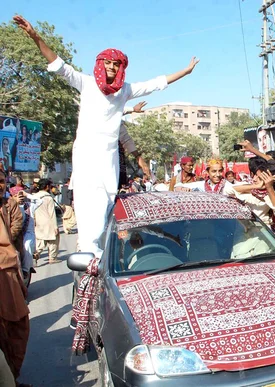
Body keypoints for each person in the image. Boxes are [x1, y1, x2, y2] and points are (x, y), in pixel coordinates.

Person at [14, 15, 199, 258]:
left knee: (107, 202)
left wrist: (185, 72)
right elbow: (59, 65)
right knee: (88, 200)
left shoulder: (125, 91)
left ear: (121, 68)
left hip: (109, 153)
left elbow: (156, 83)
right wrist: (36, 37)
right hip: (87, 151)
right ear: (100, 64)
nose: (111, 68)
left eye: (116, 64)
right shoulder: (86, 83)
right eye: (108, 63)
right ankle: (89, 253)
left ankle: (101, 251)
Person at [0, 168, 29, 387]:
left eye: (2, 181)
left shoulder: (8, 206)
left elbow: (17, 226)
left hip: (9, 271)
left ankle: (12, 376)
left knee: (18, 326)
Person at [32, 179, 59, 264]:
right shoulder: (48, 198)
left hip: (38, 222)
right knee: (53, 240)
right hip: (49, 222)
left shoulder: (34, 197)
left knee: (40, 240)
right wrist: (55, 227)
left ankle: (36, 254)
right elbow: (52, 213)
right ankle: (52, 258)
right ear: (47, 187)